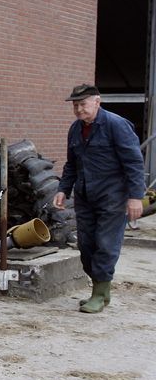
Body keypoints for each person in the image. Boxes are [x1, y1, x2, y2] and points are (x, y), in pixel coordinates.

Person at [53, 83, 145, 313]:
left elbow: (134, 162)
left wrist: (135, 197)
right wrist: (63, 189)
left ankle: (99, 294)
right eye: (75, 105)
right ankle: (102, 292)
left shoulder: (116, 125)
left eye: (83, 104)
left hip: (112, 196)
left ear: (97, 101)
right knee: (86, 246)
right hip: (85, 196)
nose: (79, 110)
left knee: (105, 244)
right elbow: (71, 164)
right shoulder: (75, 129)